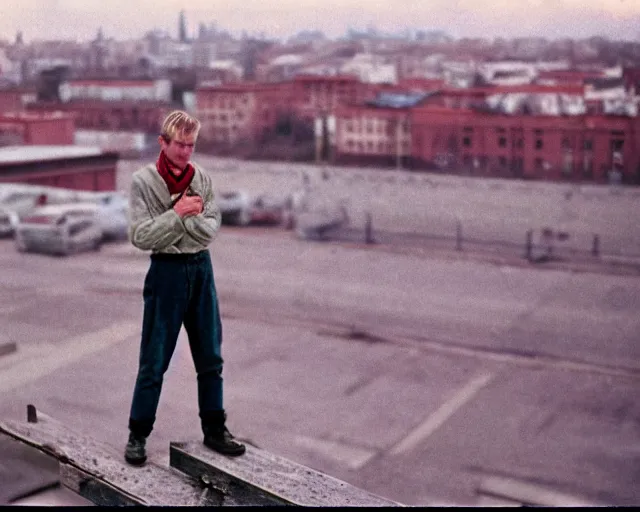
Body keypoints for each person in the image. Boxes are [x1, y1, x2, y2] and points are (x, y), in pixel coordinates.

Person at [124, 110, 245, 465]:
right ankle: (137, 435)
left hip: (201, 270)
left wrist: (180, 223)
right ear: (163, 142)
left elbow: (211, 229)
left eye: (191, 145)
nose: (186, 152)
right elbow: (141, 236)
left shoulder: (202, 178)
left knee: (210, 357)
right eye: (179, 144)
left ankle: (214, 429)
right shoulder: (143, 182)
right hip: (166, 274)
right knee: (154, 361)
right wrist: (180, 213)